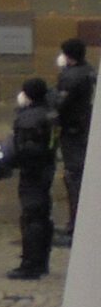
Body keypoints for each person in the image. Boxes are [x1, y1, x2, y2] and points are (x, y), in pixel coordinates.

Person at [4, 77, 58, 281]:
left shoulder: (29, 118)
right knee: (43, 215)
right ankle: (42, 261)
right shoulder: (51, 112)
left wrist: (12, 159)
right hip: (46, 168)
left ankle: (30, 264)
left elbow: (26, 149)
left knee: (32, 217)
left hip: (33, 172)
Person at [56, 37, 94, 240]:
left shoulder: (71, 76)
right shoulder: (89, 71)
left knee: (74, 178)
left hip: (73, 132)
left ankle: (76, 227)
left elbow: (60, 104)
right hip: (84, 128)